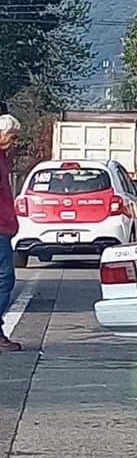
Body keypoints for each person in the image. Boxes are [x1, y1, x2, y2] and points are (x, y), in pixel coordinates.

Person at [0, 114, 21, 352]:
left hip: (4, 228)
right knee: (5, 278)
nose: (13, 141)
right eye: (11, 136)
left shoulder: (3, 157)